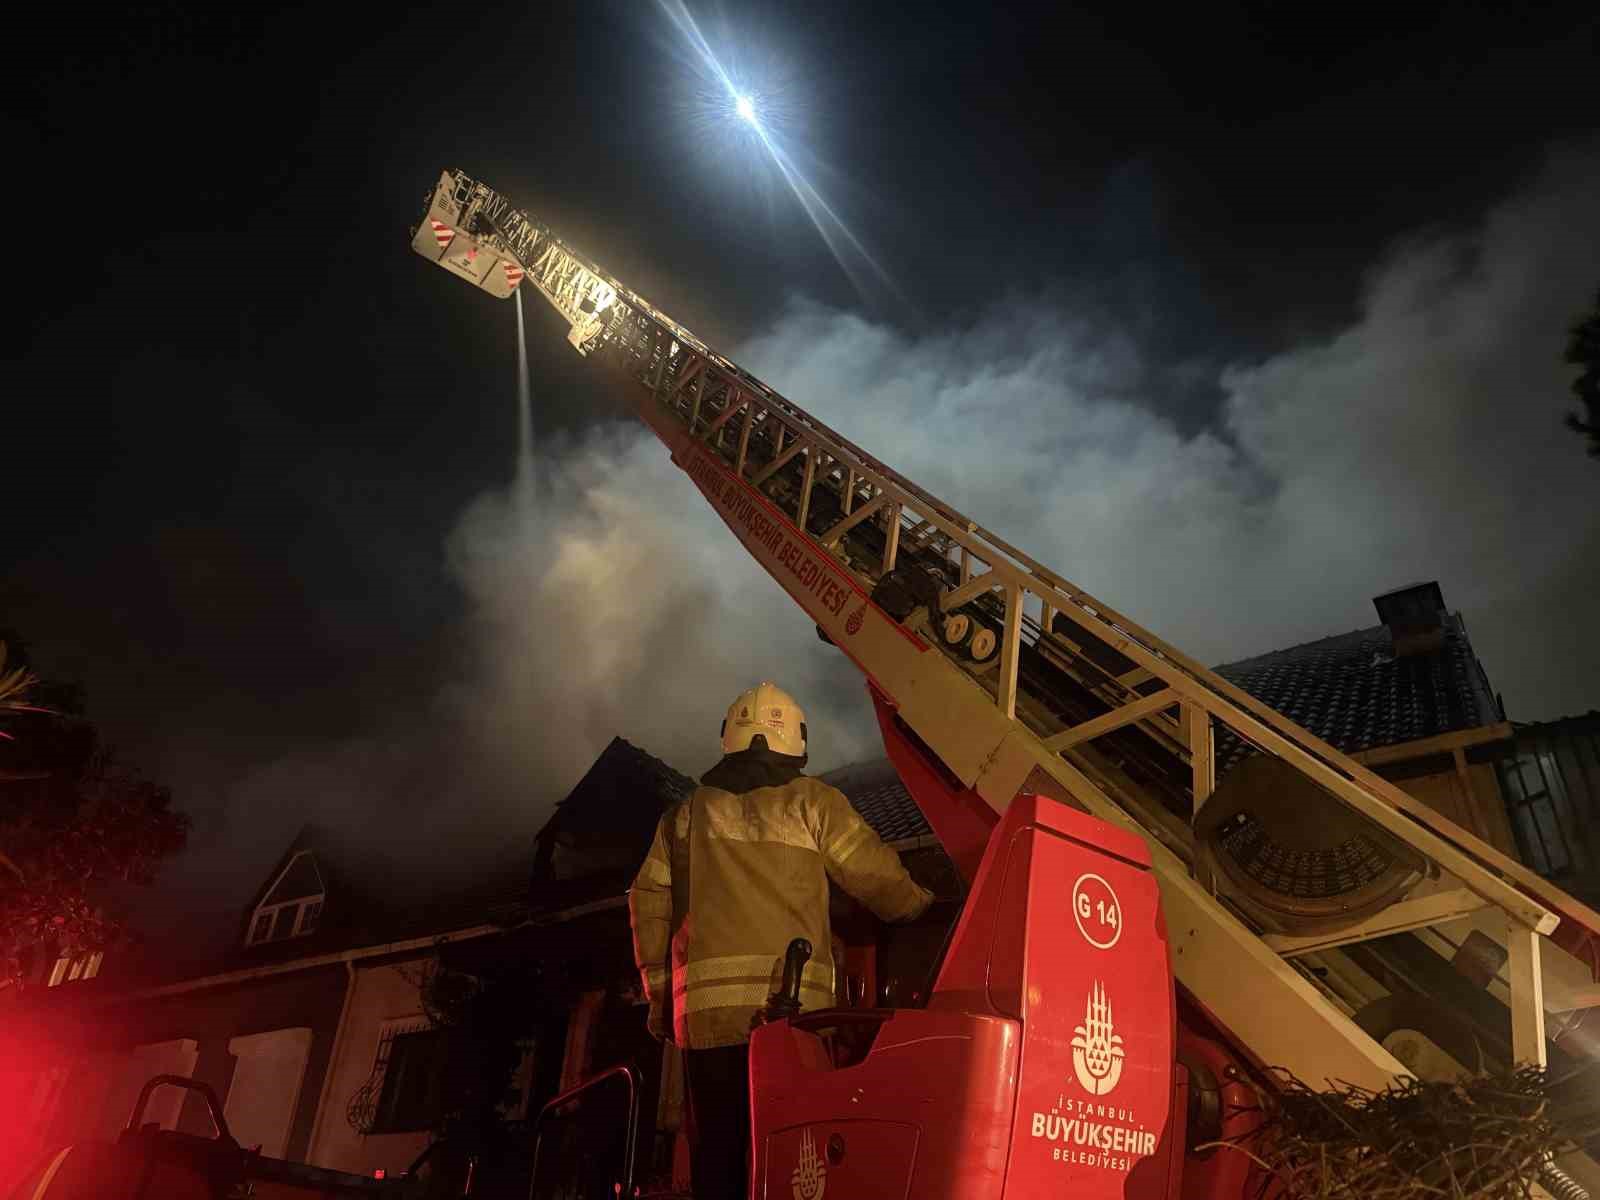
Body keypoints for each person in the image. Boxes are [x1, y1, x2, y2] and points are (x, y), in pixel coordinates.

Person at [628, 682, 934, 1200]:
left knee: (717, 1159)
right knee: (794, 1157)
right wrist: (919, 906)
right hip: (793, 1019)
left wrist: (660, 998)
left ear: (730, 738)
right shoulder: (812, 801)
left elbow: (647, 902)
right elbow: (875, 876)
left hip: (708, 1023)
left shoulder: (685, 816)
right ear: (795, 742)